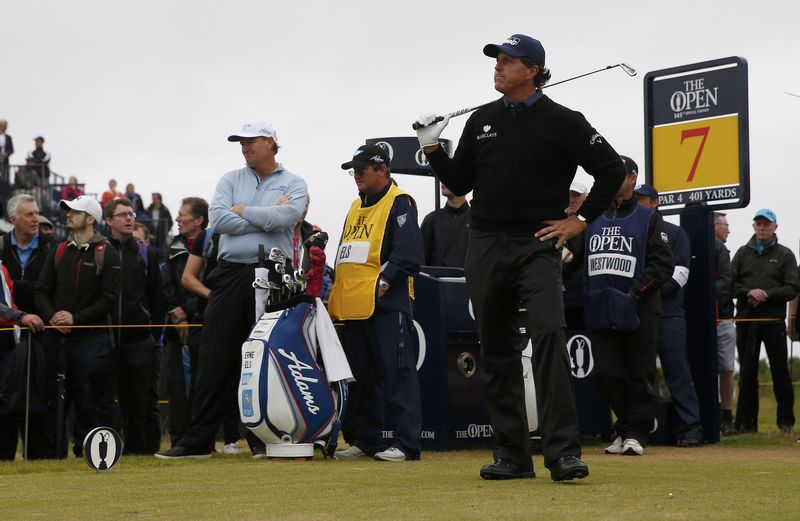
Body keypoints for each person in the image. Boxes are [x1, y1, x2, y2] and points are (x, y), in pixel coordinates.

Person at [414, 34, 626, 480]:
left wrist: (580, 220)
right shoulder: (482, 120)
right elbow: (461, 180)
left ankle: (563, 453)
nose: (498, 67)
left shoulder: (564, 120)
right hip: (486, 242)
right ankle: (511, 455)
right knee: (496, 348)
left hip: (537, 243)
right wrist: (433, 149)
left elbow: (610, 169)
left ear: (532, 70)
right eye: (497, 60)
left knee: (549, 334)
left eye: (508, 61)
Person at [155, 120, 307, 459]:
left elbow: (288, 217)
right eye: (241, 142)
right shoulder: (229, 179)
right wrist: (262, 215)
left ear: (270, 142)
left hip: (271, 275)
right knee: (213, 357)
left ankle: (264, 438)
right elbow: (219, 221)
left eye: (251, 141)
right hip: (228, 275)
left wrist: (243, 211)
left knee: (266, 356)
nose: (244, 147)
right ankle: (198, 441)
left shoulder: (294, 183)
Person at [329, 144, 424, 462]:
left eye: (362, 169)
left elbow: (409, 254)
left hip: (386, 303)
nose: (355, 175)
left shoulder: (400, 202)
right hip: (354, 306)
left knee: (397, 373)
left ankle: (406, 443)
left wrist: (383, 284)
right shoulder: (355, 205)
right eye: (353, 169)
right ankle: (365, 439)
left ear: (382, 170)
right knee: (362, 376)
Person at [585, 158, 673, 457]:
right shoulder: (594, 216)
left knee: (640, 372)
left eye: (618, 174)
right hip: (601, 307)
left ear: (633, 179)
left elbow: (663, 264)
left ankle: (635, 432)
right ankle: (626, 427)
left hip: (639, 307)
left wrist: (635, 292)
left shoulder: (648, 217)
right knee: (607, 373)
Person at [35, 195, 122, 458]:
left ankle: (90, 454)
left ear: (91, 219)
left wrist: (75, 318)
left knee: (90, 402)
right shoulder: (59, 250)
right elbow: (42, 291)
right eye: (68, 210)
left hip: (93, 342)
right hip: (58, 340)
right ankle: (54, 455)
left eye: (75, 211)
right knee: (55, 399)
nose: (68, 215)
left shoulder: (107, 252)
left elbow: (109, 299)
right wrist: (53, 317)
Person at [635, 184, 704, 446]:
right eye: (637, 200)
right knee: (640, 374)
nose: (640, 204)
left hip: (669, 314)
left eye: (644, 200)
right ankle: (640, 430)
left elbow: (681, 274)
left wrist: (646, 293)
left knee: (677, 371)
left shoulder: (675, 233)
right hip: (639, 313)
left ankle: (692, 428)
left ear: (655, 203)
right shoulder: (633, 232)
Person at [104, 198, 164, 455]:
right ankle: (105, 450)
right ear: (108, 221)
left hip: (139, 339)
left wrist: (153, 333)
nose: (129, 218)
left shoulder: (144, 252)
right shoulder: (100, 251)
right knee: (106, 402)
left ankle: (138, 452)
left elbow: (157, 297)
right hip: (105, 340)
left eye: (131, 214)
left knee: (138, 403)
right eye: (122, 214)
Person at [731, 209, 799, 433]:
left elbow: (792, 288)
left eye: (766, 224)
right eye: (758, 224)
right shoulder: (742, 253)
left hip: (773, 322)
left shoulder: (785, 254)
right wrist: (749, 292)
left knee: (780, 372)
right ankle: (745, 424)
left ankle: (786, 422)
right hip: (746, 321)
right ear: (753, 227)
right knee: (747, 374)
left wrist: (766, 294)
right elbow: (730, 285)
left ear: (775, 227)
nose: (761, 228)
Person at [180, 223, 243, 455]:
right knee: (208, 378)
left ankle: (233, 439)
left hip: (239, 311)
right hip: (210, 316)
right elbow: (187, 277)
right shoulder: (206, 238)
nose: (178, 218)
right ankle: (204, 441)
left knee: (238, 377)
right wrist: (216, 298)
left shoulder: (246, 232)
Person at [161, 197, 208, 447]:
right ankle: (178, 440)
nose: (177, 219)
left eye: (182, 215)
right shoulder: (173, 247)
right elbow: (165, 283)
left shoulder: (214, 247)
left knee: (204, 385)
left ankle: (202, 440)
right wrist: (175, 311)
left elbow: (212, 285)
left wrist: (188, 312)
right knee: (177, 386)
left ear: (199, 220)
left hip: (204, 324)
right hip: (175, 329)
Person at [0, 259, 46, 460]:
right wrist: (19, 316)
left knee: (7, 403)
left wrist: (17, 318)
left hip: (7, 342)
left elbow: (9, 301)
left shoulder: (2, 268)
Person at [713, 212, 737, 435]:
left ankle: (727, 416)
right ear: (714, 226)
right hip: (710, 319)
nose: (728, 230)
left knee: (726, 368)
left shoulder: (722, 250)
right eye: (725, 225)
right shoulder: (714, 247)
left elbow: (726, 280)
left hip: (723, 317)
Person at [420, 183, 470, 268]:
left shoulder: (477, 220)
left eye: (450, 175)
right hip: (437, 280)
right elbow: (421, 259)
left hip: (471, 280)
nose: (442, 181)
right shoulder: (431, 219)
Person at [561, 181, 589, 291]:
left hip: (578, 290)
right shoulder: (554, 222)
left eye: (576, 195)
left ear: (585, 199)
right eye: (569, 196)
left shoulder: (591, 225)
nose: (571, 200)